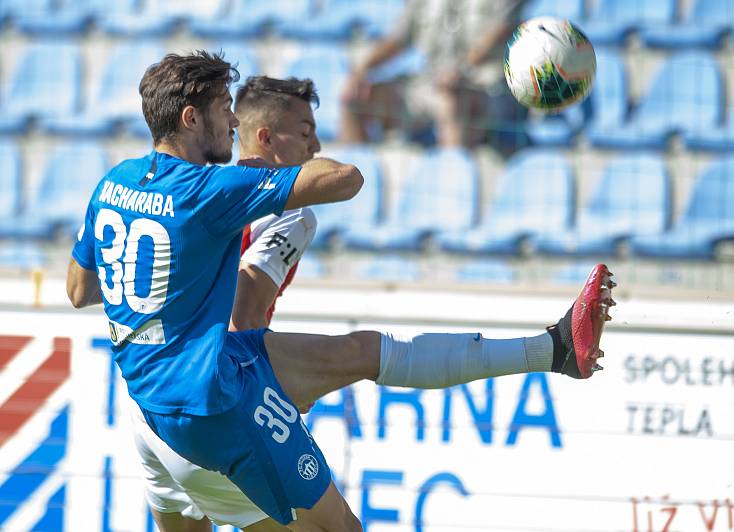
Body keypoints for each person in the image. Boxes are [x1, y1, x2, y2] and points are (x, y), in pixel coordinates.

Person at [67, 51, 615, 532]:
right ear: (192, 118)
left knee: (360, 351)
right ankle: (552, 350)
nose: (230, 122)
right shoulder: (226, 195)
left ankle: (551, 349)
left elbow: (80, 288)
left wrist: (168, 282)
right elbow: (341, 184)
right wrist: (266, 391)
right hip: (214, 400)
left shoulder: (113, 182)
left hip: (146, 407)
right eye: (221, 112)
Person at [133, 76, 323, 532]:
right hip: (220, 400)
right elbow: (246, 314)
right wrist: (277, 397)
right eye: (305, 131)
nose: (316, 145)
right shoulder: (290, 211)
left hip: (157, 403)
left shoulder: (198, 188)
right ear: (266, 137)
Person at [339, 0, 524, 147]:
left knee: (450, 99)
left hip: (485, 87)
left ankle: (452, 181)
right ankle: (350, 186)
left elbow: (502, 30)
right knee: (354, 97)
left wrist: (461, 69)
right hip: (429, 83)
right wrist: (360, 71)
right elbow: (397, 39)